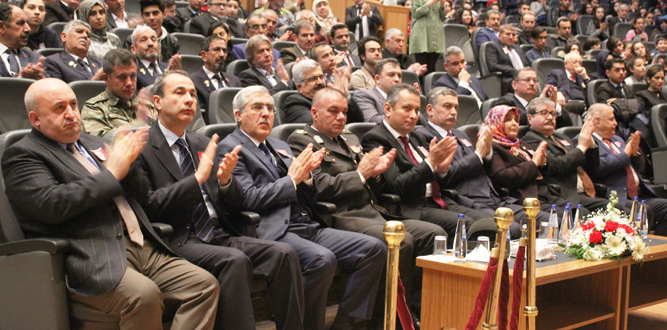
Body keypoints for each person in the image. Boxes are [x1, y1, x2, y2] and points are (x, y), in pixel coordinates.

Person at [2, 77, 220, 329]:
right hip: (90, 253)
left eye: (73, 105)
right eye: (59, 108)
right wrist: (113, 172)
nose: (72, 114)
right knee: (144, 296)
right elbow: (53, 205)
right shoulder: (23, 154)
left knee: (203, 285)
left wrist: (131, 164)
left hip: (142, 244)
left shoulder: (95, 143)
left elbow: (141, 196)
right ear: (35, 119)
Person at [129, 71, 306, 330]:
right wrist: (196, 180)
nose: (190, 99)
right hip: (176, 237)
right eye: (179, 93)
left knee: (284, 253)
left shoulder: (201, 142)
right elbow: (149, 206)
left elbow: (233, 205)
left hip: (217, 231)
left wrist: (225, 183)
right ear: (157, 101)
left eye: (192, 93)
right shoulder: (141, 145)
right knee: (233, 260)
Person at [218, 86, 387, 330]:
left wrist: (307, 178)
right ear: (238, 114)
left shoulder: (278, 144)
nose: (266, 113)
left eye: (270, 108)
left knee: (373, 248)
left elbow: (308, 191)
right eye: (257, 107)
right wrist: (291, 180)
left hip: (308, 223)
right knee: (322, 259)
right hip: (274, 229)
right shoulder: (232, 148)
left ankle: (345, 323)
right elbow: (247, 199)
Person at [287, 87, 445, 327]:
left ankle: (415, 308)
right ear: (314, 113)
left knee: (434, 233)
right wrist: (361, 174)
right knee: (401, 241)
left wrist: (376, 174)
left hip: (372, 212)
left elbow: (371, 182)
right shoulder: (302, 139)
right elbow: (317, 187)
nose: (341, 117)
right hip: (339, 217)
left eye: (344, 112)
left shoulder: (349, 137)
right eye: (333, 111)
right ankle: (386, 317)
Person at [361, 83, 494, 238]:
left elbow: (438, 181)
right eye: (407, 108)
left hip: (439, 200)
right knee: (469, 226)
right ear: (388, 109)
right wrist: (430, 162)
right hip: (412, 207)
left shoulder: (416, 137)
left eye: (417, 110)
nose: (413, 115)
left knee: (489, 223)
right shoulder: (375, 138)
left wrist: (441, 170)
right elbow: (397, 186)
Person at [416, 87, 538, 237]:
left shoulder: (461, 134)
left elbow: (480, 166)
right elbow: (445, 175)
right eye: (447, 106)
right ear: (429, 110)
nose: (453, 112)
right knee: (510, 228)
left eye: (456, 107)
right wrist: (478, 154)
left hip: (494, 196)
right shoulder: (423, 137)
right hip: (467, 199)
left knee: (537, 218)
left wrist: (487, 153)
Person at [574, 104, 667, 236]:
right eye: (611, 119)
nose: (616, 123)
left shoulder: (617, 139)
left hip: (639, 193)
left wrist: (635, 155)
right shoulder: (585, 140)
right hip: (615, 195)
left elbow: (639, 168)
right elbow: (598, 168)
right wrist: (626, 154)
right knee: (643, 211)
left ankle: (661, 249)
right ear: (597, 122)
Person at [523, 98, 619, 215]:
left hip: (584, 193)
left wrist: (590, 141)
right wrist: (582, 147)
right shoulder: (529, 141)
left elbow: (592, 166)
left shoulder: (562, 138)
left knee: (619, 209)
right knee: (600, 213)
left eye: (553, 113)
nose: (549, 117)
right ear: (530, 118)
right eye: (543, 113)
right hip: (563, 195)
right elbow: (557, 165)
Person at [485, 104, 553, 211]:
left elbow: (540, 170)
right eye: (508, 120)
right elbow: (502, 176)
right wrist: (534, 163)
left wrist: (543, 163)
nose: (514, 124)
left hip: (544, 193)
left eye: (516, 120)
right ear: (496, 122)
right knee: (561, 218)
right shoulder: (492, 146)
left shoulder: (520, 143)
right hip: (522, 198)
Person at [81, 49, 154, 136]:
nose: (129, 83)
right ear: (106, 78)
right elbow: (103, 143)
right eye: (122, 77)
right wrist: (141, 121)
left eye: (132, 76)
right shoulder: (94, 109)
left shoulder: (146, 105)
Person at [597, 57, 650, 145]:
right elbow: (608, 110)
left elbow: (637, 105)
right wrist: (627, 103)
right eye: (617, 70)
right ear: (608, 72)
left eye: (623, 69)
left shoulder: (627, 87)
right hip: (618, 124)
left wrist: (619, 101)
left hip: (631, 120)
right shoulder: (603, 88)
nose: (621, 72)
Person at [494, 68, 571, 127]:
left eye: (535, 81)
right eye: (527, 80)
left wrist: (554, 106)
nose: (532, 83)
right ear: (514, 85)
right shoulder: (505, 101)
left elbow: (567, 124)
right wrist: (538, 107)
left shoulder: (539, 101)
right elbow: (516, 121)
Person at [191, 36, 242, 113]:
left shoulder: (235, 81)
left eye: (224, 51)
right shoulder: (193, 82)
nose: (222, 54)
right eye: (217, 50)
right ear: (204, 56)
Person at [130, 25, 182, 91]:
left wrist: (178, 76)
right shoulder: (132, 71)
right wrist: (166, 78)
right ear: (133, 49)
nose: (150, 43)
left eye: (153, 40)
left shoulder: (168, 67)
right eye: (143, 40)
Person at [0, 3, 44, 78]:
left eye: (27, 23)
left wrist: (42, 80)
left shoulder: (36, 59)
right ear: (1, 27)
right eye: (20, 23)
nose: (28, 29)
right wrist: (20, 83)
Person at [353, 58, 402, 123]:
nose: (397, 79)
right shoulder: (364, 95)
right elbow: (372, 120)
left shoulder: (403, 98)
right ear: (378, 79)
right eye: (391, 75)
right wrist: (404, 117)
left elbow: (419, 119)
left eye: (399, 76)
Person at [487, 24, 529, 95]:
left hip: (525, 77)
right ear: (499, 36)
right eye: (508, 34)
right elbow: (493, 66)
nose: (511, 37)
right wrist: (516, 72)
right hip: (508, 78)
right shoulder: (493, 46)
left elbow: (526, 64)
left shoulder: (518, 48)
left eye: (513, 35)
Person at [409, 0, 447, 74]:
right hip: (422, 33)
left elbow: (442, 16)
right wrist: (430, 3)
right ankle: (420, 84)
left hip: (436, 33)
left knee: (432, 66)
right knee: (421, 65)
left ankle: (430, 83)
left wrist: (442, 5)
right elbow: (416, 13)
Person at [283, 59, 326, 124]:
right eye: (313, 79)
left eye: (321, 77)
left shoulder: (331, 98)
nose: (320, 82)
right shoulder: (295, 102)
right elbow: (315, 123)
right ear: (300, 87)